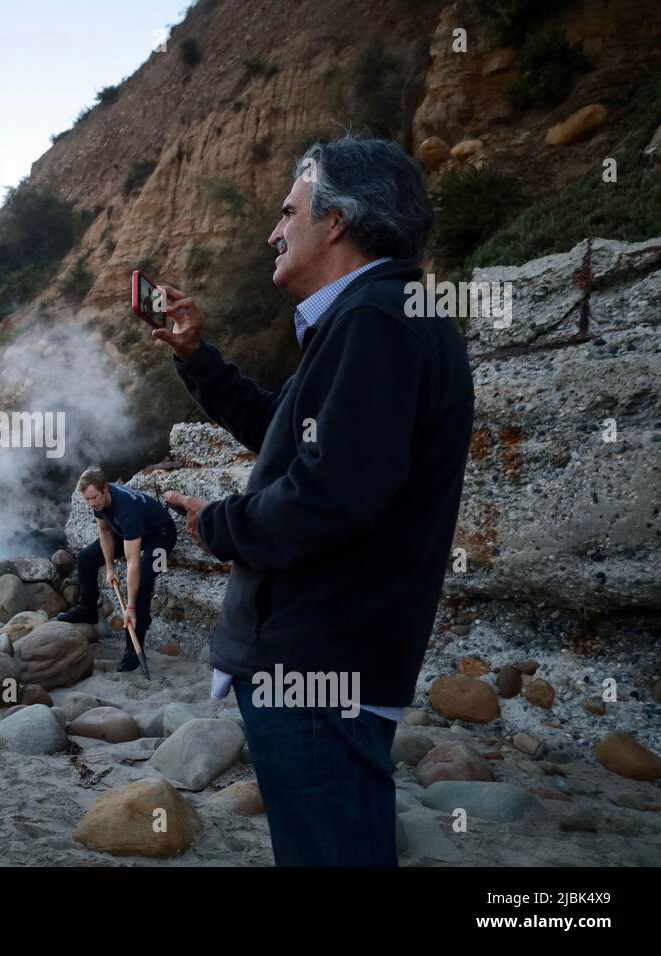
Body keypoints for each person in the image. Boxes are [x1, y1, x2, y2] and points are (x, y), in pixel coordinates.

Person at [154, 136, 474, 866]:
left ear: (338, 221)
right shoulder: (376, 317)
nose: (274, 231)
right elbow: (289, 436)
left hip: (318, 659)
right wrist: (197, 358)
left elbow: (330, 497)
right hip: (335, 656)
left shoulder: (376, 321)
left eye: (290, 210)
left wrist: (221, 524)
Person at [57, 466, 177, 674]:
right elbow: (104, 531)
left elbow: (132, 563)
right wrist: (109, 567)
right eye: (87, 500)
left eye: (94, 497)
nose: (92, 503)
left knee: (144, 581)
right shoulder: (98, 499)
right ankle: (87, 611)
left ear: (106, 489)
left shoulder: (127, 511)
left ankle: (134, 647)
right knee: (86, 558)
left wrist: (129, 607)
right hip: (130, 531)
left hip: (160, 535)